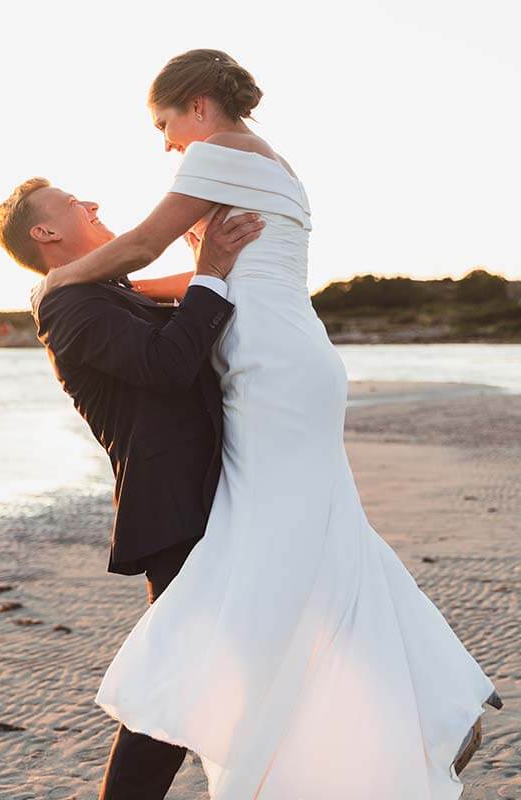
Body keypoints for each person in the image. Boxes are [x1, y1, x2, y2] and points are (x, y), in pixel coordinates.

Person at [30, 48, 503, 800]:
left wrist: (57, 280)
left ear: (197, 106)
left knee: (269, 549)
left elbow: (145, 244)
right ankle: (437, 700)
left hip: (271, 370)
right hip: (293, 356)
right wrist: (142, 283)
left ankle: (430, 704)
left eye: (164, 124)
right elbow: (204, 275)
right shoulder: (268, 162)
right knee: (326, 534)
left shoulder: (216, 155)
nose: (166, 144)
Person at [0, 177, 264, 797]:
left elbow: (194, 311)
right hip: (178, 509)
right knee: (176, 684)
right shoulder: (68, 306)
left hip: (217, 494)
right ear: (45, 232)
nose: (92, 205)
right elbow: (169, 366)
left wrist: (217, 265)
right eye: (73, 203)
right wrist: (210, 269)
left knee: (198, 675)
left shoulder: (107, 292)